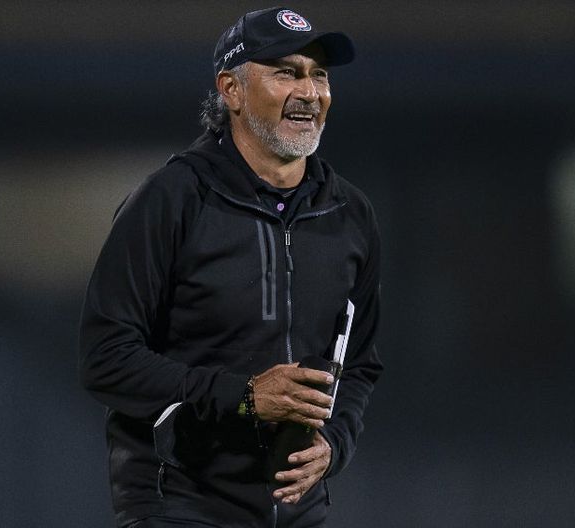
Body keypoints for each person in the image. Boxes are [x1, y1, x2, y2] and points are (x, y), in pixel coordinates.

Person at [79, 7, 382, 527]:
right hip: (181, 503)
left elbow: (359, 363)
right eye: (286, 72)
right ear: (231, 90)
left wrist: (335, 444)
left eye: (319, 75)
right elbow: (105, 358)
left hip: (297, 510)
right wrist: (242, 397)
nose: (309, 92)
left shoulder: (349, 214)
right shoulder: (170, 200)